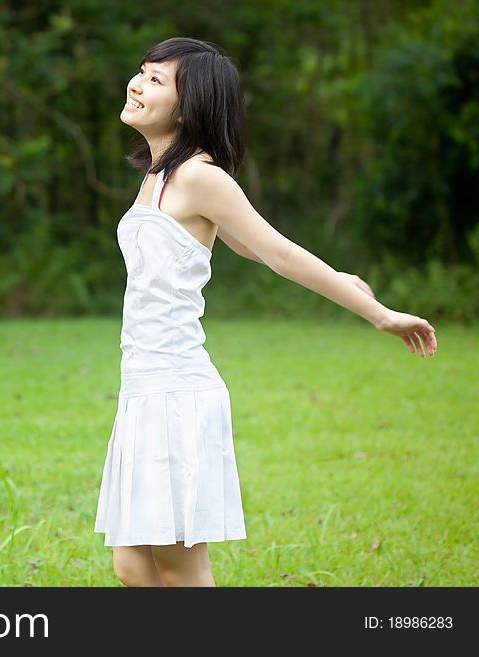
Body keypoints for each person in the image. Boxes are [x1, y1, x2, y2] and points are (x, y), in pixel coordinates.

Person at [93, 37, 438, 587]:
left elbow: (277, 252)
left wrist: (379, 314)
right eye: (141, 72)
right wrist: (346, 277)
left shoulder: (199, 176)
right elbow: (247, 245)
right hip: (143, 386)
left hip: (177, 390)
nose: (137, 84)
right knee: (133, 565)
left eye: (157, 80)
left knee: (181, 565)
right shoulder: (156, 177)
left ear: (189, 107)